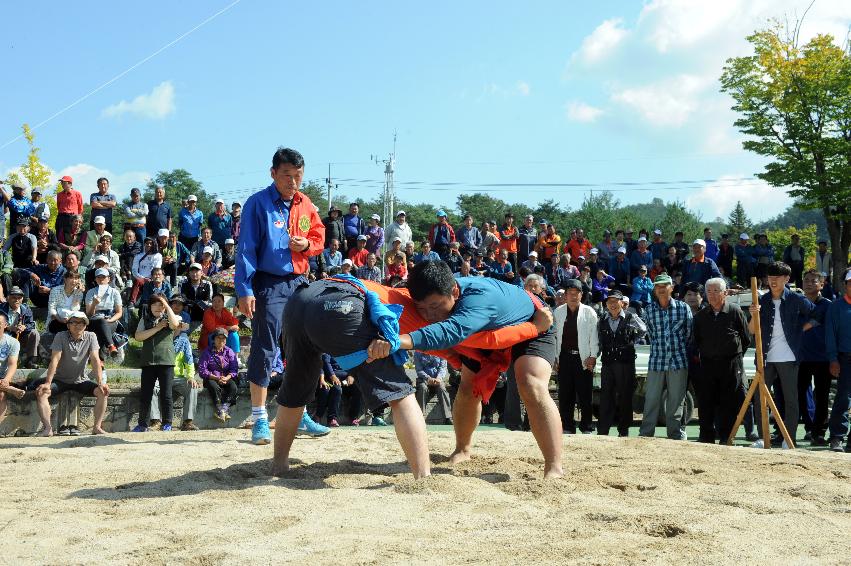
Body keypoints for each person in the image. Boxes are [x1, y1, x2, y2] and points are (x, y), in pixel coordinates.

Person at [365, 261, 561, 477]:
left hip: (535, 324)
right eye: (422, 309)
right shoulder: (441, 301)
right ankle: (462, 449)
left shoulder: (478, 301)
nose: (429, 315)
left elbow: (450, 332)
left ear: (454, 291)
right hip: (482, 337)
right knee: (467, 388)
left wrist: (399, 341)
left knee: (530, 382)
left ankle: (554, 466)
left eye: (435, 306)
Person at [235, 147, 327, 446]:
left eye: (298, 176)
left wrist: (306, 245)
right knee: (265, 346)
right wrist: (244, 289)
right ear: (273, 173)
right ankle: (260, 417)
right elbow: (246, 248)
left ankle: (297, 413)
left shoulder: (306, 204)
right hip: (268, 282)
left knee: (302, 348)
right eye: (287, 175)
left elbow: (319, 236)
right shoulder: (257, 204)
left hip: (300, 282)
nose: (293, 182)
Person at [747, 261, 816, 448]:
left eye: (777, 278)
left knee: (790, 398)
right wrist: (754, 314)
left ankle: (789, 437)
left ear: (786, 279)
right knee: (760, 398)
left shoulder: (796, 299)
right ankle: (763, 438)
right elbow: (752, 330)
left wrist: (802, 329)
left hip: (789, 357)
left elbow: (817, 314)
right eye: (770, 278)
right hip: (765, 357)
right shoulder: (761, 300)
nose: (773, 281)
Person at [692, 277, 750, 444]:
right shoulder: (701, 316)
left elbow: (745, 339)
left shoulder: (735, 311)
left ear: (725, 293)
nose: (712, 295)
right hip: (708, 364)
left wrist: (734, 356)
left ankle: (726, 437)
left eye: (716, 291)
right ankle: (706, 437)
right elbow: (696, 341)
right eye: (709, 291)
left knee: (729, 402)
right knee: (706, 401)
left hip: (731, 364)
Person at [32, 311, 108, 436]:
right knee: (42, 392)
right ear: (68, 325)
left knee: (103, 392)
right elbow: (55, 359)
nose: (77, 325)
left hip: (81, 380)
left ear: (85, 325)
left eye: (81, 322)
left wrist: (101, 383)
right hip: (60, 380)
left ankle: (97, 427)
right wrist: (48, 383)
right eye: (73, 322)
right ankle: (47, 429)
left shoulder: (91, 336)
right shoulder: (60, 336)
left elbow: (95, 359)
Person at [639, 274, 693, 440]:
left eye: (664, 285)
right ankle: (646, 434)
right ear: (654, 289)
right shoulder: (648, 310)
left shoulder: (684, 308)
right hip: (657, 361)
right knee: (651, 399)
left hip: (678, 361)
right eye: (658, 286)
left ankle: (675, 433)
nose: (661, 289)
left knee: (676, 401)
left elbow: (690, 335)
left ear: (672, 287)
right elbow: (648, 334)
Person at [597, 290, 646, 437]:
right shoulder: (602, 319)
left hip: (625, 363)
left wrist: (631, 340)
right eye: (609, 302)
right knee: (606, 396)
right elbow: (599, 338)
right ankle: (603, 430)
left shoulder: (631, 317)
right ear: (606, 304)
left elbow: (643, 330)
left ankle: (623, 430)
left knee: (625, 396)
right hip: (607, 363)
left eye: (615, 301)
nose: (612, 304)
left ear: (622, 303)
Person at [553, 278, 599, 434]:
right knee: (565, 394)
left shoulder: (589, 312)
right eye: (570, 293)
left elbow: (594, 336)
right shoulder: (558, 312)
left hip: (583, 358)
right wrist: (555, 358)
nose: (573, 296)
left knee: (585, 395)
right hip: (564, 358)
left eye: (576, 293)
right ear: (565, 295)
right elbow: (555, 337)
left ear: (581, 295)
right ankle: (567, 426)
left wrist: (593, 356)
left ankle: (586, 426)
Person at [131, 295, 181, 432]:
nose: (159, 307)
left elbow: (175, 325)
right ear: (150, 306)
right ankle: (142, 424)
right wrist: (157, 328)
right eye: (155, 304)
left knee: (166, 394)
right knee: (146, 394)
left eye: (162, 305)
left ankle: (167, 423)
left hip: (166, 361)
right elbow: (138, 336)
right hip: (148, 362)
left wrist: (166, 304)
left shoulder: (169, 318)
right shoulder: (144, 319)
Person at [798, 270, 832, 445]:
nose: (809, 283)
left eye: (813, 281)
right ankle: (809, 428)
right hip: (800, 357)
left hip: (822, 358)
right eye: (806, 280)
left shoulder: (827, 305)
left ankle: (819, 432)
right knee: (800, 395)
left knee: (822, 396)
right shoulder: (797, 303)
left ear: (822, 284)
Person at [826, 269, 851, 453]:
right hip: (845, 358)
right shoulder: (836, 306)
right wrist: (833, 359)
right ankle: (837, 437)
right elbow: (830, 336)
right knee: (843, 398)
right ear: (845, 285)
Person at [199, 327, 240, 422]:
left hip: (226, 377)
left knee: (233, 387)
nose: (221, 340)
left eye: (223, 338)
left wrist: (226, 378)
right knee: (214, 387)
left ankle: (223, 410)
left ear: (226, 340)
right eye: (218, 338)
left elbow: (234, 369)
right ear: (214, 339)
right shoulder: (207, 352)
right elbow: (202, 370)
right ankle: (221, 409)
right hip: (212, 378)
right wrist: (217, 378)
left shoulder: (229, 351)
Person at [84, 268, 123, 357]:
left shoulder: (115, 292)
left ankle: (100, 360)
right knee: (101, 322)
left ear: (108, 279)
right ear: (95, 279)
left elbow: (119, 312)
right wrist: (94, 304)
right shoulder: (91, 292)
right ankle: (111, 346)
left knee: (101, 329)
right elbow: (89, 314)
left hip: (111, 319)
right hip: (94, 319)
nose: (101, 279)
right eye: (99, 277)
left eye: (103, 277)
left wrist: (110, 320)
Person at [0, 287, 39, 368]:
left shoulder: (25, 309)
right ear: (8, 298)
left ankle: (30, 361)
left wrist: (24, 327)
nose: (17, 300)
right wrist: (8, 328)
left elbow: (31, 324)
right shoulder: (1, 308)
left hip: (21, 335)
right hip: (4, 335)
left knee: (34, 333)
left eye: (19, 298)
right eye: (14, 297)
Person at [414, 351, 453, 424]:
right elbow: (419, 370)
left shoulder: (441, 350)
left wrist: (438, 378)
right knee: (422, 388)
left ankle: (448, 417)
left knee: (442, 388)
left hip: (437, 379)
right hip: (423, 379)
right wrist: (428, 378)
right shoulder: (417, 353)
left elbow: (443, 368)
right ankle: (421, 416)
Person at [0, 313, 24, 429]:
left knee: (1, 394)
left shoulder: (13, 342)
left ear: (5, 325)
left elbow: (12, 364)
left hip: (1, 377)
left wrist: (6, 380)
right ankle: (9, 389)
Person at [130, 237, 163, 304]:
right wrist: (142, 278)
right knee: (137, 281)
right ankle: (132, 302)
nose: (149, 245)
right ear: (144, 244)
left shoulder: (158, 256)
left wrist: (151, 278)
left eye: (151, 243)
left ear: (154, 245)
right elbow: (134, 270)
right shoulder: (138, 256)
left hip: (153, 279)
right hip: (141, 279)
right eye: (147, 243)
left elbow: (157, 269)